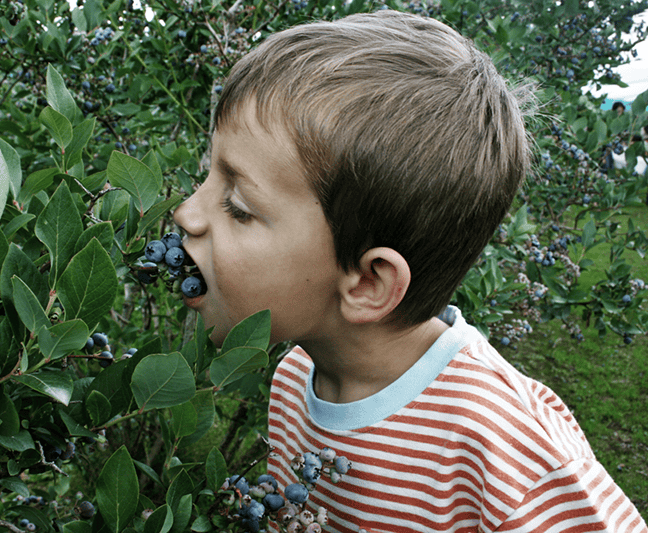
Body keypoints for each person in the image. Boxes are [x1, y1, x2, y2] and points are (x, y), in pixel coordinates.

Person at [172, 9, 648, 533]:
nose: (186, 214)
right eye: (207, 175)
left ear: (369, 283)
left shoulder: (505, 452)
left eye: (237, 206)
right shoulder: (295, 378)